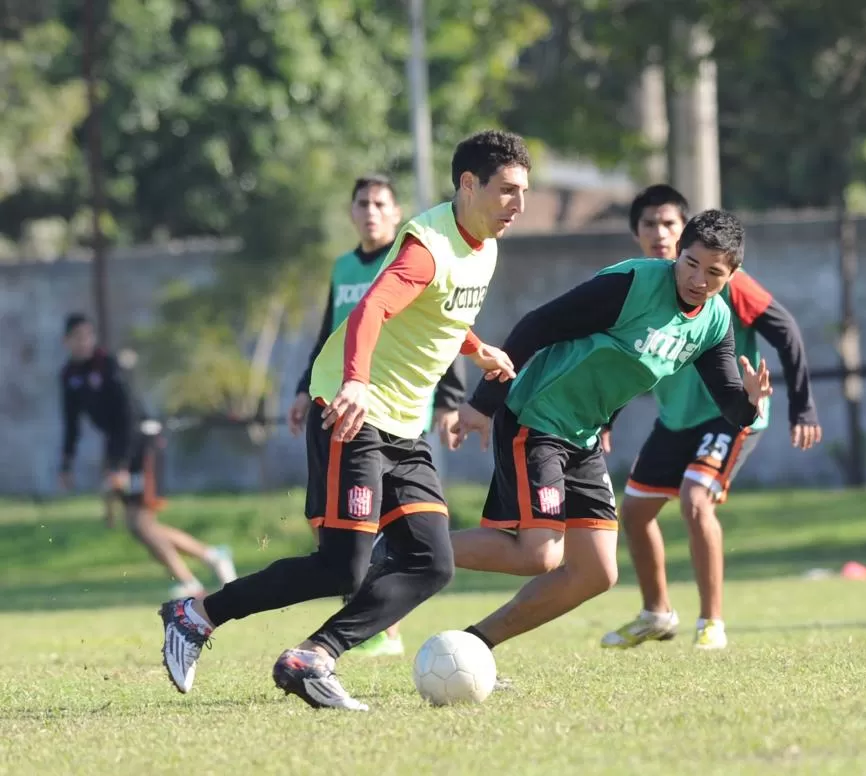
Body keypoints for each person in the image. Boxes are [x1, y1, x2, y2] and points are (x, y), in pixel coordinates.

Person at [159, 129, 532, 711]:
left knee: (432, 563)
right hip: (351, 410)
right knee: (342, 567)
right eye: (508, 190)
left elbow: (437, 311)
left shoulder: (484, 244)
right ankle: (196, 614)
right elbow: (373, 308)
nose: (519, 205)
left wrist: (476, 349)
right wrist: (356, 381)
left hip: (403, 425)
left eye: (523, 192)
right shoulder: (426, 244)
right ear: (468, 183)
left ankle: (315, 656)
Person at [448, 209, 772, 657]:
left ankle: (472, 647)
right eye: (691, 264)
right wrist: (483, 403)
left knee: (596, 572)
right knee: (538, 555)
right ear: (678, 254)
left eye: (714, 272)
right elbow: (537, 325)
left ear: (731, 275)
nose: (698, 279)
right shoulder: (632, 285)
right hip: (538, 416)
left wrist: (751, 402)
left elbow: (729, 403)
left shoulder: (714, 321)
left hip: (582, 435)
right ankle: (411, 545)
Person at [599, 185, 822, 650]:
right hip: (676, 418)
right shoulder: (644, 284)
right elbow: (628, 359)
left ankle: (712, 624)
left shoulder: (722, 279)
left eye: (668, 223)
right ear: (637, 234)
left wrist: (802, 405)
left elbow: (786, 330)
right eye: (649, 224)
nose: (659, 233)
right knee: (635, 512)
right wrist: (607, 417)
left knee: (694, 500)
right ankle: (656, 614)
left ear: (686, 232)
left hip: (730, 415)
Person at [286, 174, 468, 658]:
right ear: (351, 212)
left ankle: (382, 628)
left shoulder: (411, 256)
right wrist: (305, 387)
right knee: (342, 528)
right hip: (347, 399)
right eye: (362, 203)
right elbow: (333, 331)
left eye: (380, 203)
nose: (370, 211)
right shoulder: (344, 266)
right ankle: (368, 622)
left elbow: (441, 331)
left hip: (398, 406)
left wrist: (451, 400)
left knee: (388, 525)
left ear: (395, 212)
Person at [58, 313, 237, 598]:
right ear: (66, 341)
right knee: (141, 525)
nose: (84, 342)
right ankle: (212, 556)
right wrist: (66, 463)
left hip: (142, 443)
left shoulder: (109, 365)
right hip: (119, 448)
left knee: (140, 523)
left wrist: (119, 466)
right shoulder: (69, 376)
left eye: (88, 335)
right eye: (77, 337)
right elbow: (71, 422)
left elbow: (128, 417)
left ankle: (190, 582)